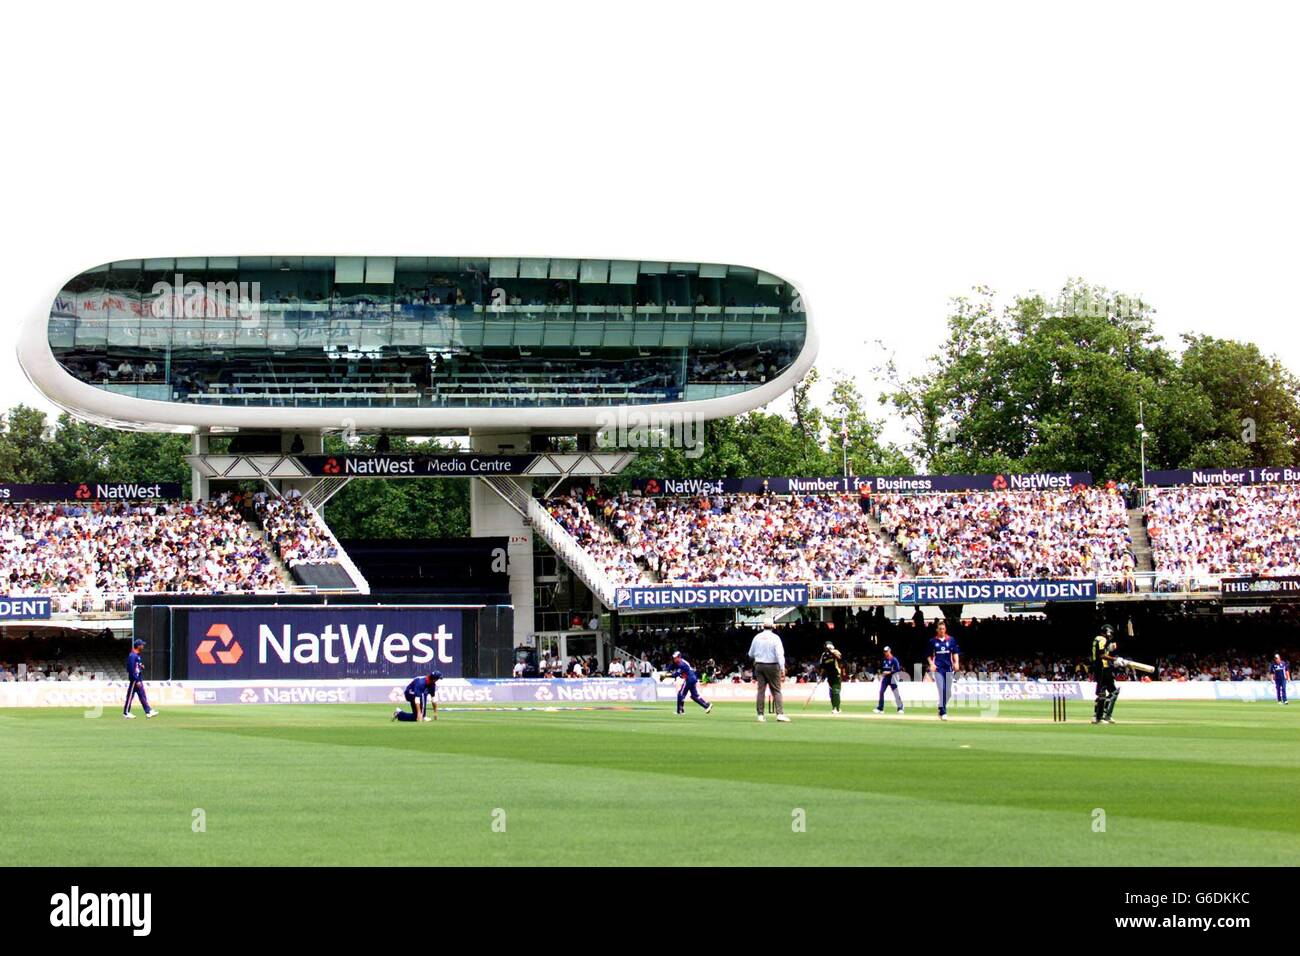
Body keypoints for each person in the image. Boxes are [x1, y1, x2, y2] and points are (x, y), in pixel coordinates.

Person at [748, 626, 789, 723]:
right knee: (776, 690)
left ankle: (760, 715)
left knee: (761, 690)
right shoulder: (775, 638)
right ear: (772, 627)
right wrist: (782, 668)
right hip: (773, 665)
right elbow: (780, 654)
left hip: (759, 665)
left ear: (763, 626)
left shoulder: (757, 637)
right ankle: (780, 714)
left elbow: (750, 654)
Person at [927, 620, 960, 720]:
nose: (942, 630)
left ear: (945, 629)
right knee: (941, 689)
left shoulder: (951, 640)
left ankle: (941, 706)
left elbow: (955, 652)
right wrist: (931, 664)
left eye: (943, 629)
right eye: (940, 629)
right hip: (938, 668)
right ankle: (943, 712)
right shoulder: (932, 641)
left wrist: (956, 662)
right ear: (937, 630)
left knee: (948, 692)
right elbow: (928, 655)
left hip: (948, 668)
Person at [122, 638, 158, 719]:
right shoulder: (132, 655)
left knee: (142, 695)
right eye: (142, 645)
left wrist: (140, 666)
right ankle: (126, 712)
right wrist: (136, 680)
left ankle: (148, 711)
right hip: (135, 679)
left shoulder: (137, 655)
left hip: (138, 678)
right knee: (130, 696)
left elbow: (135, 666)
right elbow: (130, 668)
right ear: (138, 646)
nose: (143, 646)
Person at [670, 651, 712, 716]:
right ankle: (707, 706)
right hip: (693, 678)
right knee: (694, 696)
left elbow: (676, 675)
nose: (674, 659)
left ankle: (679, 711)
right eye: (674, 658)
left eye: (675, 658)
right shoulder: (682, 662)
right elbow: (681, 674)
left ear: (679, 657)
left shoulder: (681, 664)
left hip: (689, 679)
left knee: (680, 694)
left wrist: (665, 676)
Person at [1091, 625, 1118, 724]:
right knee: (1102, 693)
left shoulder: (1098, 639)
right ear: (1107, 632)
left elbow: (1103, 651)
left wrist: (1110, 648)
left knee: (1113, 692)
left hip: (1102, 668)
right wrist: (1115, 659)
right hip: (1102, 668)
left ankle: (1105, 715)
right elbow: (1101, 655)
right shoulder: (1102, 639)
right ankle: (1098, 717)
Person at [874, 645, 904, 714]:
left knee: (896, 693)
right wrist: (882, 673)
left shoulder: (894, 659)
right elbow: (883, 669)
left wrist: (889, 672)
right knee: (881, 692)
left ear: (889, 651)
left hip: (892, 678)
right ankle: (880, 708)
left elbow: (898, 669)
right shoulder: (884, 660)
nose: (885, 653)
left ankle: (900, 708)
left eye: (887, 651)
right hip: (885, 679)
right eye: (884, 652)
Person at [819, 641, 844, 715]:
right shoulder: (823, 655)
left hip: (836, 674)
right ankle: (837, 707)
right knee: (831, 692)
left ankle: (835, 708)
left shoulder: (835, 652)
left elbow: (840, 658)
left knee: (835, 691)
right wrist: (822, 676)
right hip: (829, 676)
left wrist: (832, 652)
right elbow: (823, 667)